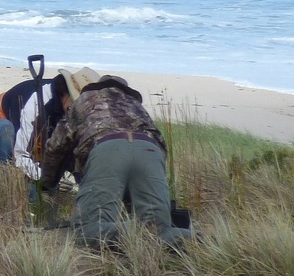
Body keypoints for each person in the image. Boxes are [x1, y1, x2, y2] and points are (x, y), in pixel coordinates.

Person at [40, 74, 193, 249]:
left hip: (107, 149)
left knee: (88, 230)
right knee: (161, 229)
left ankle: (137, 231)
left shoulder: (84, 100)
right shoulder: (135, 106)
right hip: (150, 151)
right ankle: (198, 240)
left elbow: (55, 147)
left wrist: (47, 183)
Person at [0, 67, 100, 178]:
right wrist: (46, 178)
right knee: (4, 130)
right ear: (65, 92)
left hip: (15, 139)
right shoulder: (36, 100)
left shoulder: (65, 109)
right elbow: (21, 154)